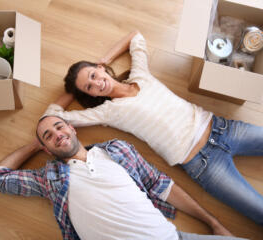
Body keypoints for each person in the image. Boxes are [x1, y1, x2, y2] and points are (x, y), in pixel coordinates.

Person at [43, 30, 263, 225]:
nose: (97, 83)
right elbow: (51, 116)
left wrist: (104, 59)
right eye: (89, 87)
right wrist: (74, 90)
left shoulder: (140, 74)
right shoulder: (106, 112)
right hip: (204, 165)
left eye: (93, 75)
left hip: (222, 128)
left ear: (100, 68)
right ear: (89, 94)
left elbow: (135, 37)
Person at [0, 115, 247, 240]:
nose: (57, 135)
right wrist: (33, 145)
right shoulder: (49, 178)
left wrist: (213, 223)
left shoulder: (117, 149)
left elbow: (162, 185)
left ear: (72, 128)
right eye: (48, 136)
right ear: (46, 148)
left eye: (59, 127)